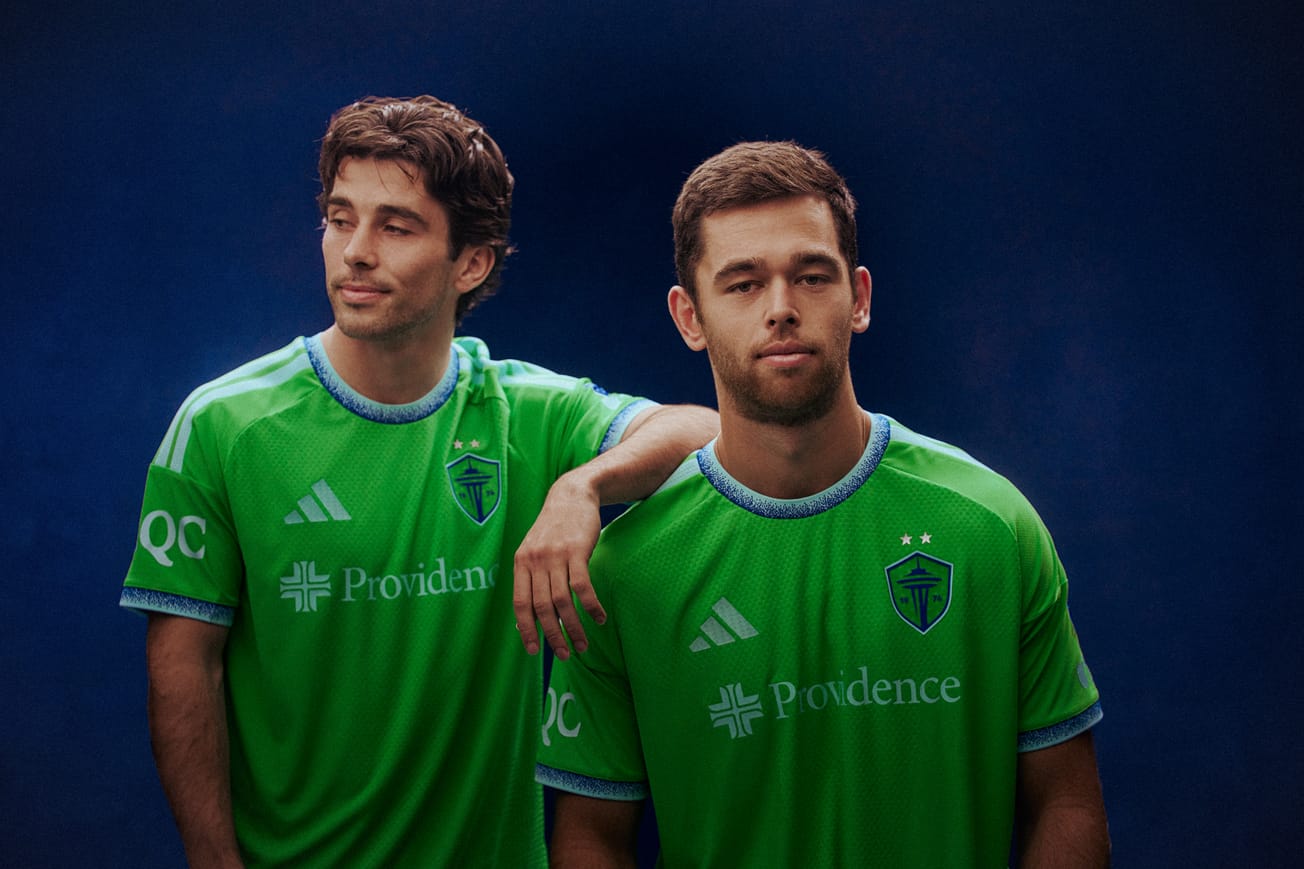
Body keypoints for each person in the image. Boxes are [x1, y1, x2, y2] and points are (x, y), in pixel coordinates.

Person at [119, 95, 716, 867]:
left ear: (471, 262)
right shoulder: (223, 425)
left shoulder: (524, 412)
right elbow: (182, 667)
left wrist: (582, 487)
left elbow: (702, 431)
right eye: (340, 219)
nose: (355, 251)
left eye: (395, 227)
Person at [536, 141, 1109, 867]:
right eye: (742, 283)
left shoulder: (991, 524)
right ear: (690, 316)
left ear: (859, 296)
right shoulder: (624, 569)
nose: (781, 309)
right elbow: (590, 836)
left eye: (810, 275)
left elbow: (1068, 803)